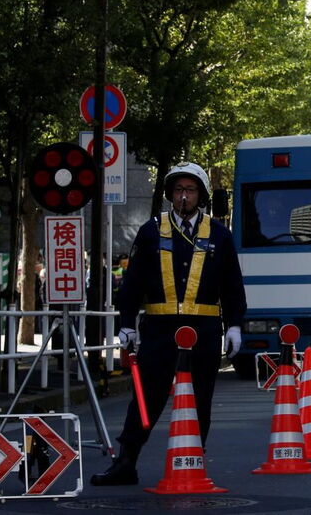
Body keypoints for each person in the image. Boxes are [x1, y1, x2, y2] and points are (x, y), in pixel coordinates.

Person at [91, 162, 247, 486]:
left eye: (190, 190)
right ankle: (126, 462)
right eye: (178, 190)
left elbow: (232, 284)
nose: (184, 196)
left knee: (200, 398)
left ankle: (192, 458)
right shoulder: (151, 230)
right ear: (169, 194)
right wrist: (126, 323)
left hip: (203, 330)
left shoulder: (219, 234)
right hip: (160, 328)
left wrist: (234, 325)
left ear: (201, 195)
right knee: (146, 396)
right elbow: (132, 281)